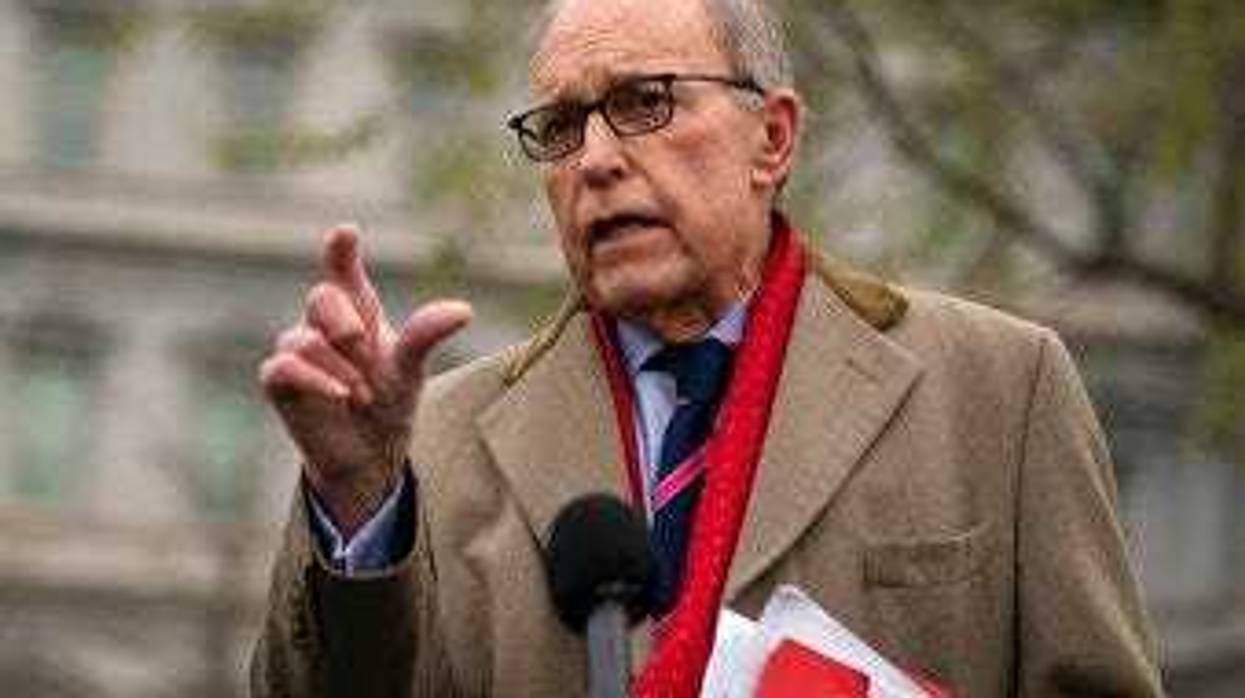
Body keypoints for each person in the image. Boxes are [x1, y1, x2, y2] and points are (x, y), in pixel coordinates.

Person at [250, 0, 1164, 696]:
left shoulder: (1000, 389)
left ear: (772, 138)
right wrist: (357, 501)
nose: (594, 160)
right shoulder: (430, 451)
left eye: (644, 102)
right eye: (561, 127)